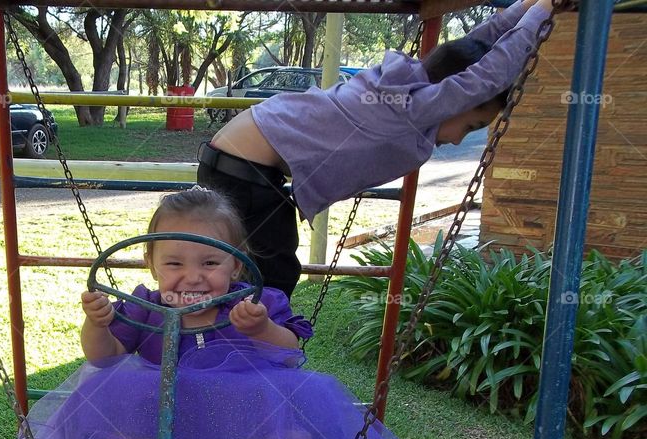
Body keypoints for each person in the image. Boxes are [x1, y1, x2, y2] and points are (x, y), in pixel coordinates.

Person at [23, 188, 423, 439]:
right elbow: (103, 357)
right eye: (174, 262)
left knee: (294, 425)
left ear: (236, 265)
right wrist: (96, 324)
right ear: (151, 263)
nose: (193, 276)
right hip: (163, 432)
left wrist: (261, 329)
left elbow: (289, 354)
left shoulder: (253, 304)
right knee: (115, 393)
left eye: (210, 262)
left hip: (244, 431)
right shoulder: (145, 306)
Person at [197, 0, 555, 298]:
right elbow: (486, 76)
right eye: (471, 125)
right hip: (243, 171)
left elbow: (473, 48)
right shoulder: (410, 108)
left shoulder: (405, 89)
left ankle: (244, 358)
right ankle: (252, 363)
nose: (461, 139)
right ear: (457, 96)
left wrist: (525, 7)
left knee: (256, 275)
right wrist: (543, 9)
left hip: (242, 165)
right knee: (269, 278)